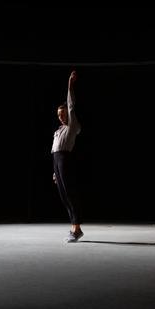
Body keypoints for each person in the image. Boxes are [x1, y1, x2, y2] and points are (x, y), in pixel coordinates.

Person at [52, 70, 83, 243]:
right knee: (63, 196)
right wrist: (55, 171)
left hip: (65, 160)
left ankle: (77, 228)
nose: (61, 117)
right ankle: (73, 226)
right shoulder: (59, 130)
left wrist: (70, 84)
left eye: (63, 114)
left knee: (70, 194)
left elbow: (71, 104)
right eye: (58, 115)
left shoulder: (72, 126)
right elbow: (55, 151)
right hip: (57, 162)